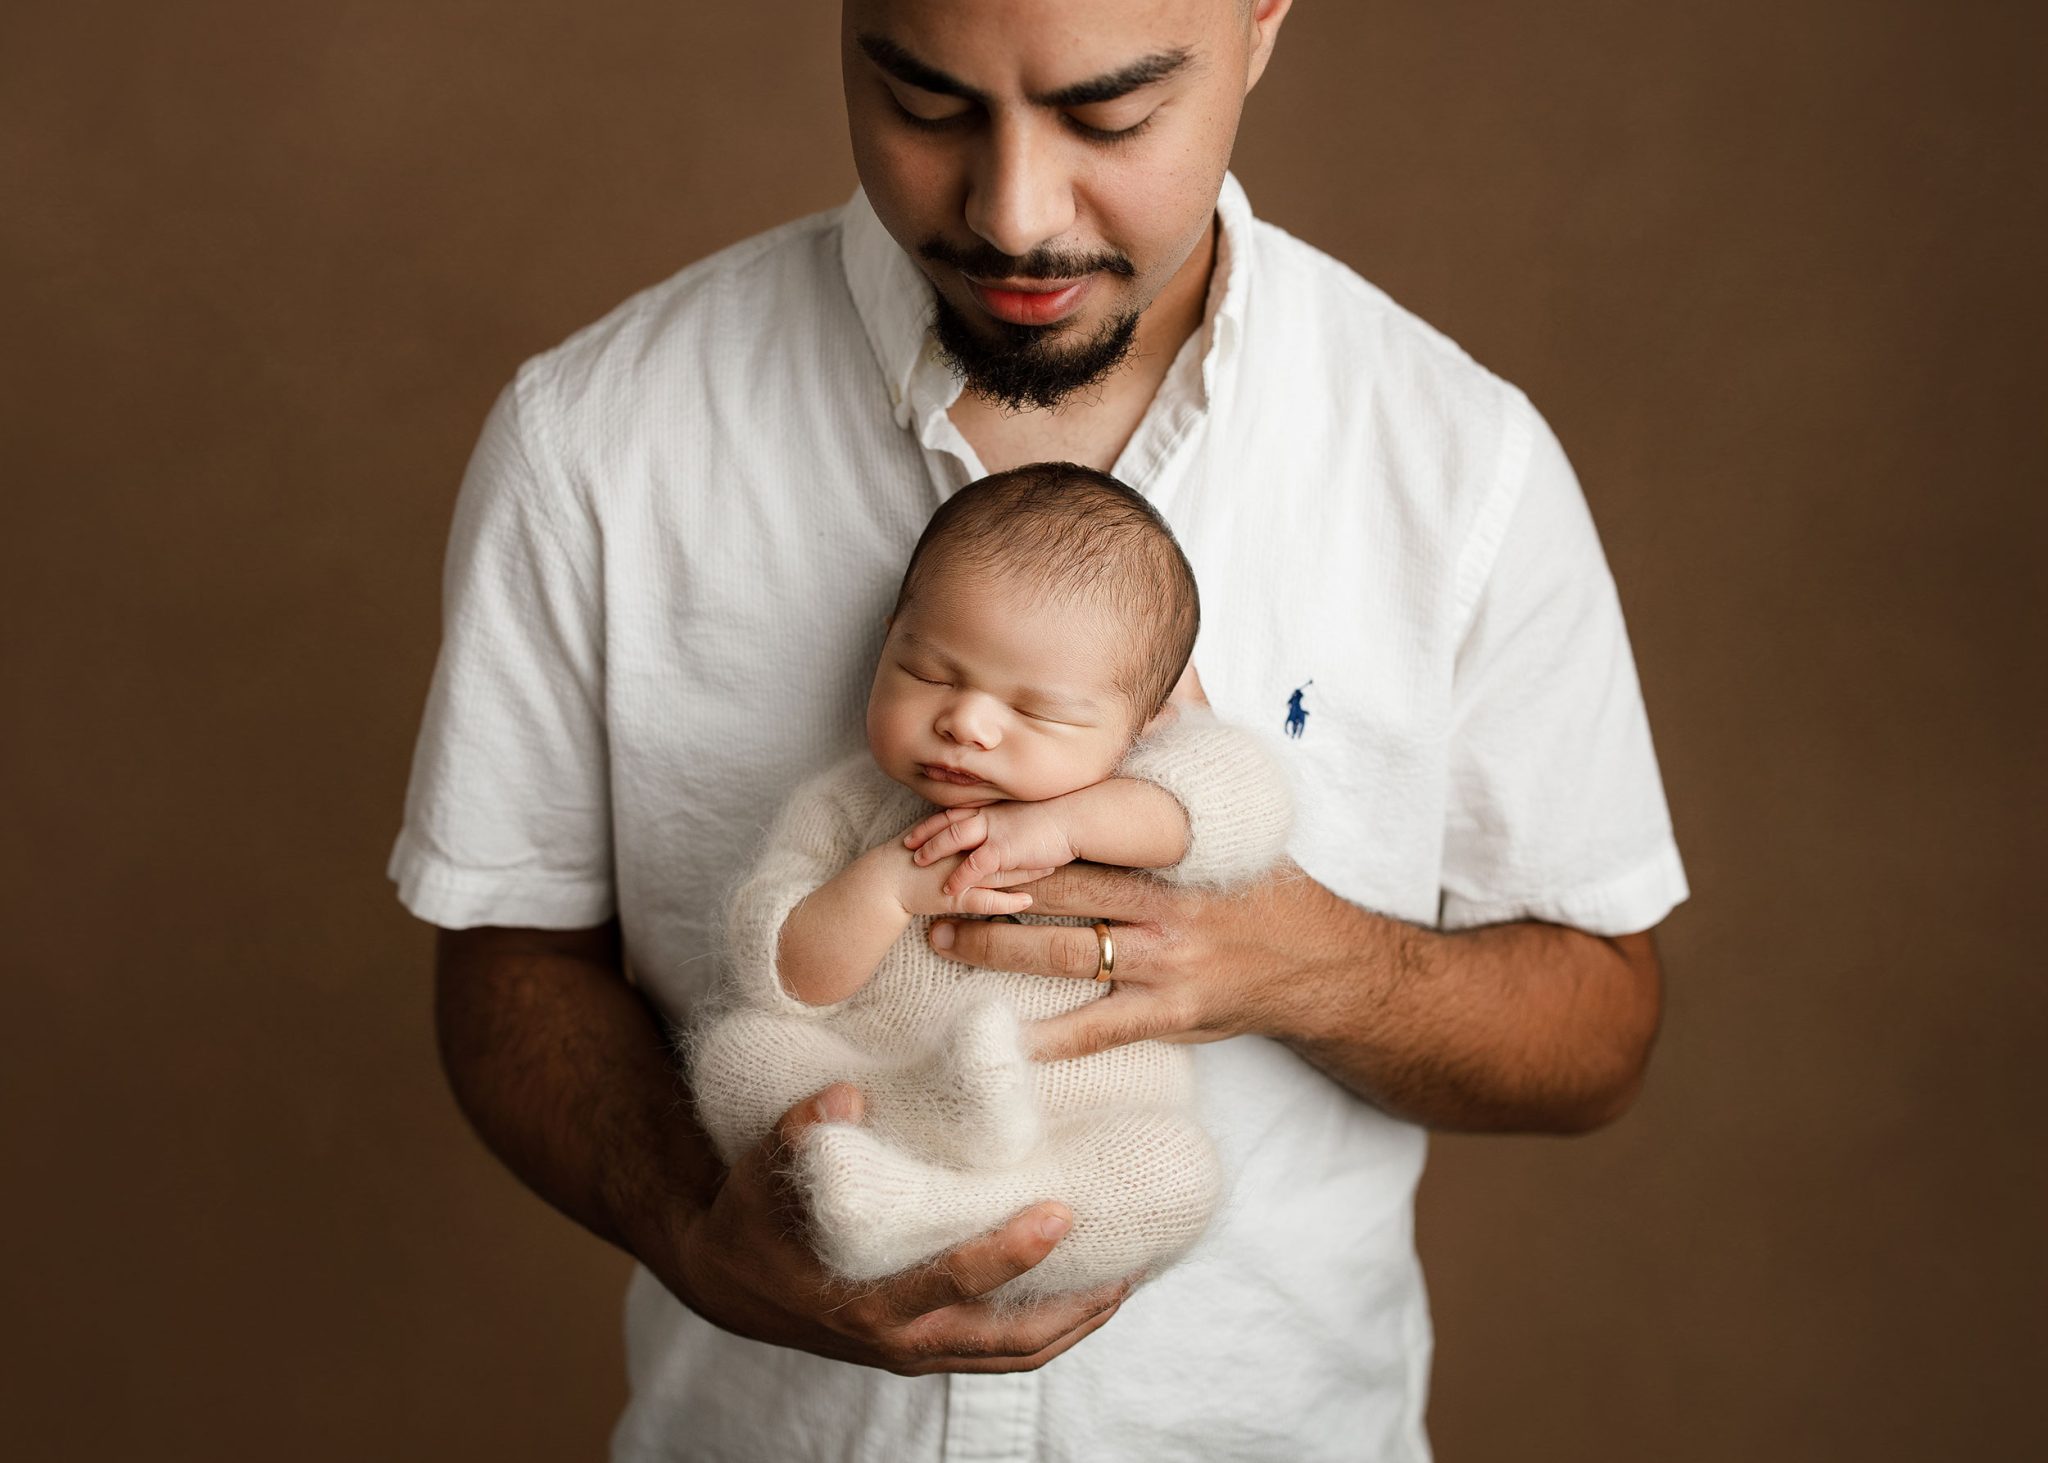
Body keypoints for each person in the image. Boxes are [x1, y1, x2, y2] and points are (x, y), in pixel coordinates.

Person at [390, 1, 1688, 1457]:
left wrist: (1300, 963)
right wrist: (697, 1229)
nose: (1012, 213)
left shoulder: (1457, 463)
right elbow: (508, 972)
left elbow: (1603, 1025)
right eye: (926, 104)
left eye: (1111, 115)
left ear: (1261, 21)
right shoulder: (598, 440)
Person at [684, 461, 1293, 1306]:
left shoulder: (1132, 805)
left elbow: (1246, 800)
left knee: (1175, 1171)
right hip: (878, 1092)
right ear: (889, 636)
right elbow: (787, 980)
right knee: (734, 1056)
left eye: (1038, 712)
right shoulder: (852, 809)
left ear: (1142, 726)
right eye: (930, 672)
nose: (966, 722)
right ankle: (921, 1131)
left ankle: (944, 1208)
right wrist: (889, 885)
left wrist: (1067, 825)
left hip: (1065, 1125)